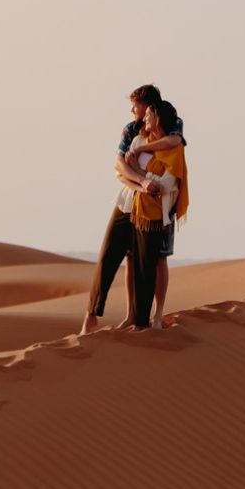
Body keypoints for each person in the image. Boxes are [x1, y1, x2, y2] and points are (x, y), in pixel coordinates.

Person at [81, 86, 188, 333]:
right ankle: (95, 314)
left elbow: (167, 167)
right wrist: (141, 182)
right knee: (113, 255)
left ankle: (150, 319)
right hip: (129, 202)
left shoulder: (173, 124)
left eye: (137, 105)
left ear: (151, 109)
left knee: (154, 260)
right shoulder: (133, 132)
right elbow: (120, 168)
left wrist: (139, 163)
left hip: (158, 211)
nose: (132, 110)